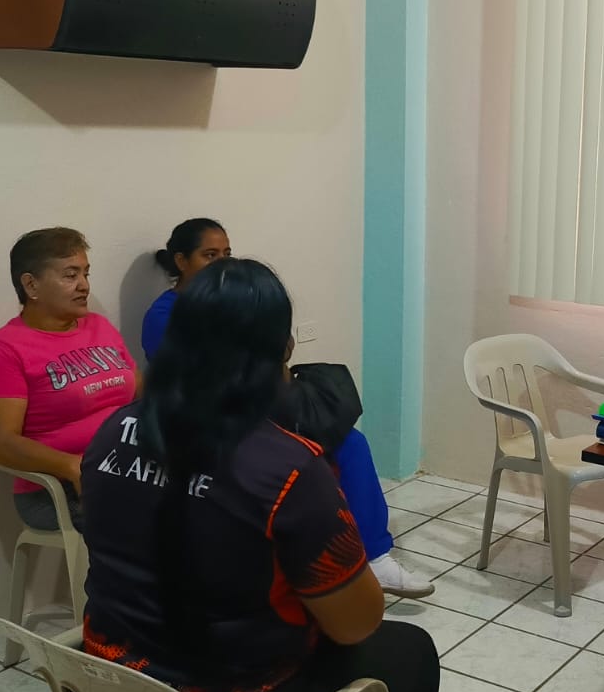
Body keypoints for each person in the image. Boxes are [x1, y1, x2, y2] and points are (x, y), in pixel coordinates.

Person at [82, 258, 439, 692]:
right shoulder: (286, 469)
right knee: (410, 654)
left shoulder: (111, 433)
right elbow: (358, 622)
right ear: (282, 352)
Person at [141, 218, 433, 598]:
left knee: (349, 441)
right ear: (181, 261)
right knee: (321, 449)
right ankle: (341, 556)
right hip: (213, 417)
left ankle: (374, 555)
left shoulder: (234, 301)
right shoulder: (165, 316)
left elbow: (270, 351)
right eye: (209, 255)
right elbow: (201, 375)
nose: (222, 263)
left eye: (226, 253)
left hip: (255, 402)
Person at [0, 227, 138, 530]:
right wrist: (71, 466)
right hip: (58, 487)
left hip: (129, 465)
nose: (84, 285)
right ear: (31, 285)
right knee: (176, 519)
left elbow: (142, 394)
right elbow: (1, 443)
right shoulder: (4, 350)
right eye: (70, 275)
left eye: (86, 273)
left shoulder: (99, 327)